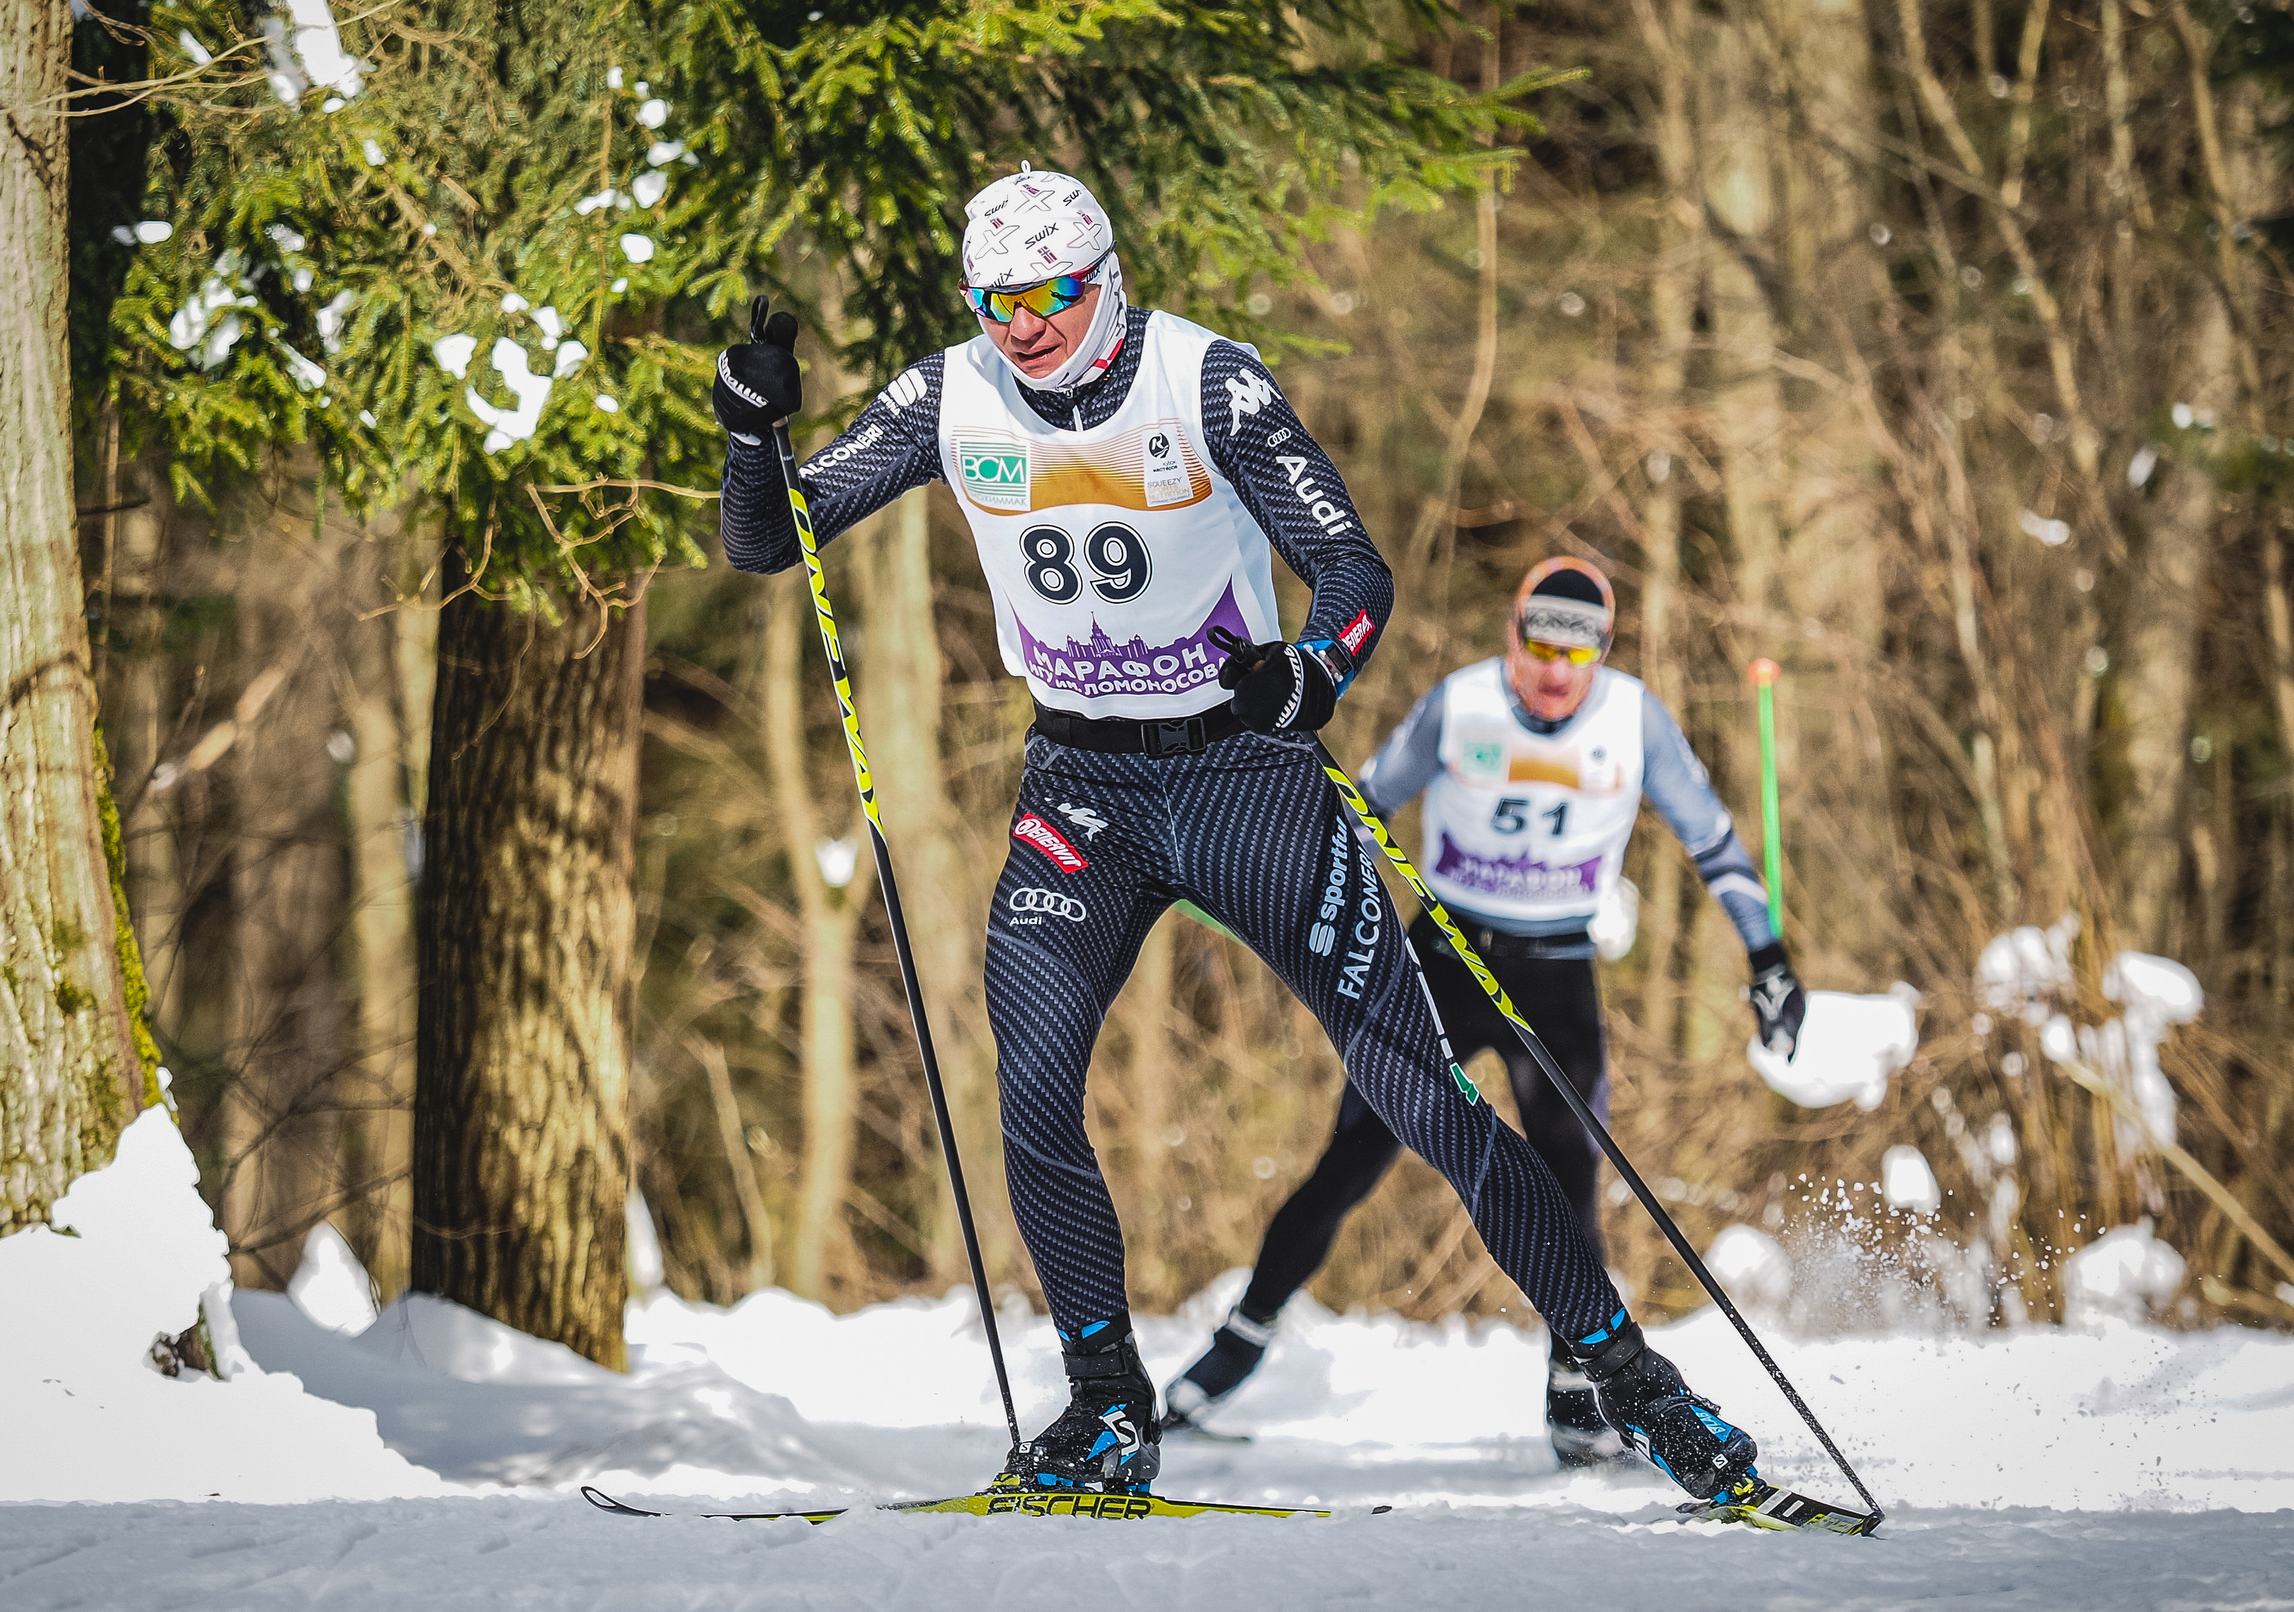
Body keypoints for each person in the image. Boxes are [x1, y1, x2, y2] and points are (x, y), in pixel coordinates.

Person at [712, 165, 1779, 1508]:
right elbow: (773, 546)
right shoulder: (949, 394)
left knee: (1422, 1096)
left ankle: (1635, 1382)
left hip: (1244, 778)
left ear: (1102, 278)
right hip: (1080, 789)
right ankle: (1108, 1406)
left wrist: (1312, 671)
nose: (1022, 325)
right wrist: (751, 435)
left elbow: (1353, 571)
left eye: (1048, 295)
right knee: (1032, 1087)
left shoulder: (1207, 381)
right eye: (996, 300)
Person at [1160, 559, 1809, 1467]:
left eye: (1576, 653)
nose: (1553, 672)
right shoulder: (1459, 705)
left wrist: (1769, 957)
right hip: (1445, 957)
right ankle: (1235, 1346)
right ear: (1512, 634)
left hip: (1557, 971)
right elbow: (1359, 807)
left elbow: (1714, 839)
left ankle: (1576, 1393)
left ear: (1603, 653)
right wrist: (1255, 870)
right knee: (1353, 1155)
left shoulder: (1633, 721)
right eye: (1538, 645)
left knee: (1570, 1182)